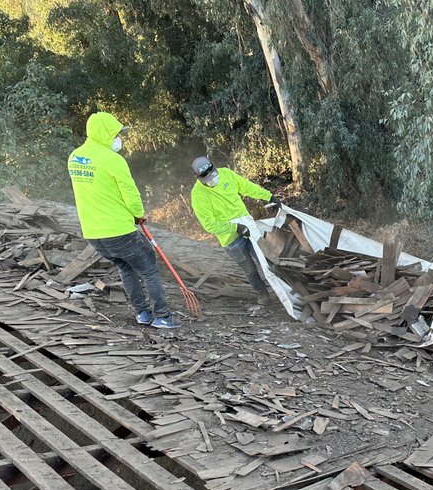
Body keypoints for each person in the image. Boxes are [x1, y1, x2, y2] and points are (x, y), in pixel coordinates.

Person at [67, 112, 180, 329]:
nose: (119, 138)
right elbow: (131, 194)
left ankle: (143, 314)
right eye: (116, 133)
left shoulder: (75, 157)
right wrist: (139, 214)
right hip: (118, 230)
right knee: (148, 269)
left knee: (126, 269)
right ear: (105, 133)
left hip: (93, 233)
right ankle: (163, 317)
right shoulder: (113, 160)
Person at [189, 156, 279, 306]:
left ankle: (282, 291)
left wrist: (268, 196)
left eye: (213, 175)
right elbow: (209, 224)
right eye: (208, 179)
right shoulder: (198, 195)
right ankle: (262, 294)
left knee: (267, 260)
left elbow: (246, 187)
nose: (213, 180)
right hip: (231, 240)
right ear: (198, 178)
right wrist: (235, 227)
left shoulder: (226, 174)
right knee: (249, 269)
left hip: (248, 227)